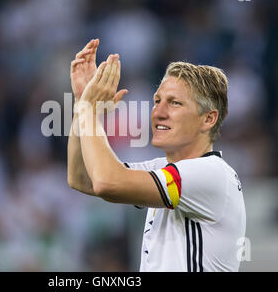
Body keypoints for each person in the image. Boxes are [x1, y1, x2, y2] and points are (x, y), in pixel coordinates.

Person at [67, 39, 246, 272]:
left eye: (175, 103)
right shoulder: (164, 168)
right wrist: (82, 101)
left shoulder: (210, 174)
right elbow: (81, 177)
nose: (158, 113)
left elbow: (105, 182)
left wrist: (89, 109)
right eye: (157, 101)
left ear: (208, 119)